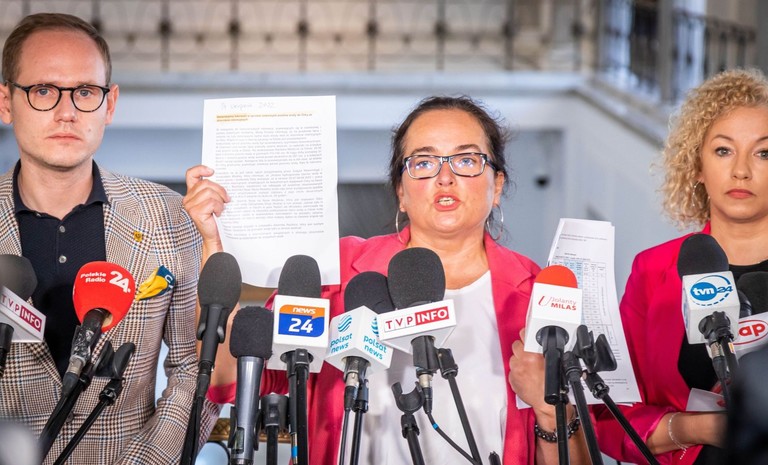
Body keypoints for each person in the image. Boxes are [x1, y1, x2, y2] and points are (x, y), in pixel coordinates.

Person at [184, 96, 589, 464]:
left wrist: (551, 408)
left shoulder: (538, 294)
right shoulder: (339, 270)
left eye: (466, 160)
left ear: (496, 185)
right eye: (424, 163)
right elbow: (227, 378)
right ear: (401, 191)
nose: (445, 178)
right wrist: (213, 245)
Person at [0, 13, 216, 463]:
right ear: (6, 102)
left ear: (110, 104)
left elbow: (193, 369)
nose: (66, 112)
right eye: (43, 91)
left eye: (85, 92)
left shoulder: (167, 216)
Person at [594, 68, 768, 464]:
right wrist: (699, 428)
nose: (741, 170)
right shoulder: (653, 270)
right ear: (697, 167)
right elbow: (610, 416)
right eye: (723, 151)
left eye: (764, 153)